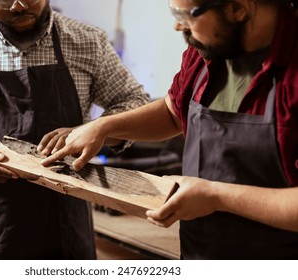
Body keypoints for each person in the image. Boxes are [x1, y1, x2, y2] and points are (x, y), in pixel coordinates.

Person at [41, 0, 298, 259]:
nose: (177, 25)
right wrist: (104, 126)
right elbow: (173, 111)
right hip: (202, 251)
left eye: (185, 15)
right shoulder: (208, 48)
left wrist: (216, 196)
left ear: (237, 8)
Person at [0, 0, 150, 259]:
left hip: (64, 226)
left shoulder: (88, 42)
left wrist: (95, 129)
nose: (19, 6)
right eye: (5, 0)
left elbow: (135, 104)